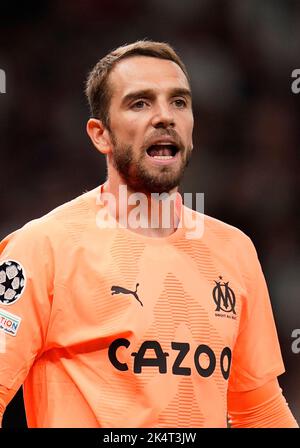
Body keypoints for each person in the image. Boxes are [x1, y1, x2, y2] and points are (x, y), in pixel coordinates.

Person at [0, 40, 298, 428]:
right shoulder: (42, 248)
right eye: (140, 103)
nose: (165, 117)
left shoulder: (235, 251)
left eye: (179, 102)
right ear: (100, 135)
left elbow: (258, 410)